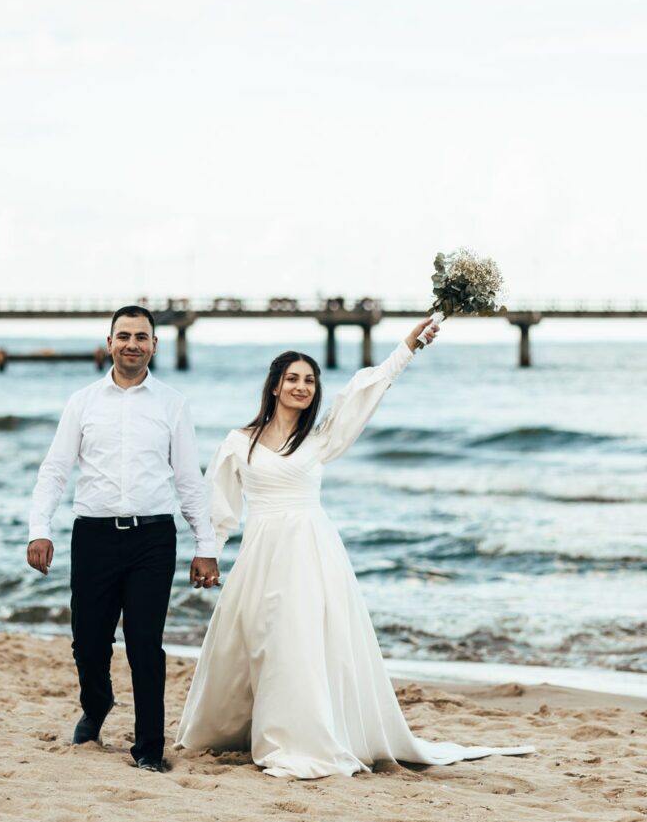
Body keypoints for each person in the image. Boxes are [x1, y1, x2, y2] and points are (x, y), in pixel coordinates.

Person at [175, 318, 533, 778]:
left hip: (311, 551)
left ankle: (295, 738)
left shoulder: (320, 439)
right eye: (293, 379)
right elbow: (220, 501)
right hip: (261, 553)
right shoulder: (238, 442)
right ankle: (244, 728)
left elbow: (364, 394)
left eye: (309, 380)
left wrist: (408, 347)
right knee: (257, 640)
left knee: (298, 640)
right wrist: (209, 550)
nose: (302, 387)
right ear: (275, 386)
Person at [27, 305, 218, 772]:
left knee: (144, 644)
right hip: (93, 537)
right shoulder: (82, 402)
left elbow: (189, 480)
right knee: (88, 642)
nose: (133, 344)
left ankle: (149, 748)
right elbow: (55, 470)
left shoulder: (172, 404)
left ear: (155, 345)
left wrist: (206, 546)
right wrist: (39, 530)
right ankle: (97, 705)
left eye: (141, 337)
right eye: (125, 336)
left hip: (153, 538)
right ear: (109, 342)